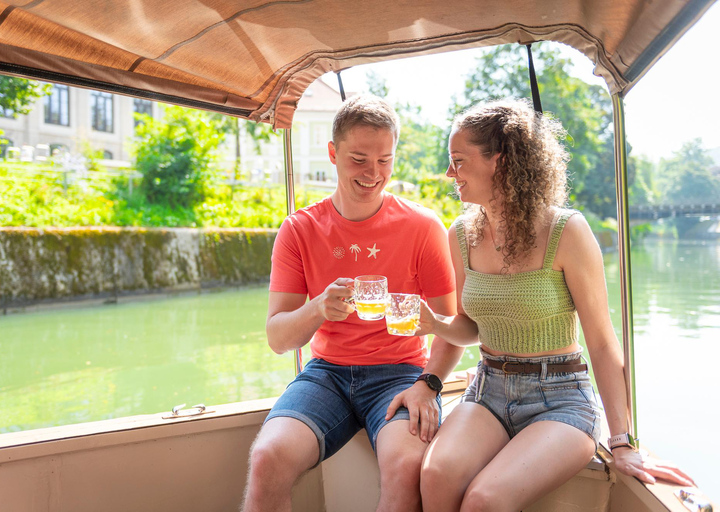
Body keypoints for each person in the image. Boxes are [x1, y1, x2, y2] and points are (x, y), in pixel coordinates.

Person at [417, 99, 696, 511]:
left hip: (560, 396)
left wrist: (621, 440)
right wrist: (435, 323)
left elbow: (602, 342)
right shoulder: (460, 234)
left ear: (501, 160)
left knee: (485, 500)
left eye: (458, 161)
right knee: (435, 477)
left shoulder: (566, 230)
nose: (449, 173)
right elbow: (471, 325)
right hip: (488, 388)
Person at [242, 94, 464, 512]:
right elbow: (276, 338)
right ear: (333, 152)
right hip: (327, 375)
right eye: (359, 159)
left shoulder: (423, 226)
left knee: (407, 466)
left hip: (401, 374)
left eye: (385, 160)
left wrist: (429, 383)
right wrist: (317, 308)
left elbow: (450, 326)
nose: (373, 173)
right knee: (266, 458)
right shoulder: (300, 229)